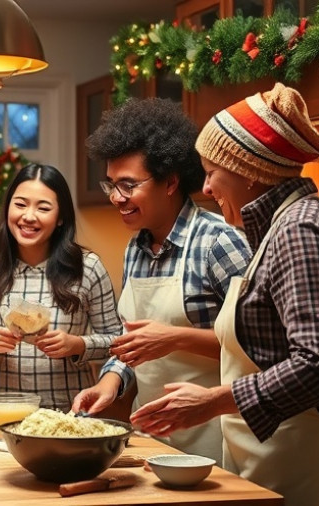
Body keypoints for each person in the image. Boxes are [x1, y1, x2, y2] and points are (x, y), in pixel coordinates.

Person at [130, 83, 319, 506]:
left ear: (249, 170)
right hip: (287, 453)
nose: (207, 188)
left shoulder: (300, 231)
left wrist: (213, 401)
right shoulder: (277, 228)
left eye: (212, 172)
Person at [71, 98, 251, 464]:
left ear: (170, 181)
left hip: (215, 440)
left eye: (128, 185)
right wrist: (110, 383)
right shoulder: (134, 248)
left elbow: (255, 348)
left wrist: (174, 339)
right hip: (152, 439)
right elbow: (134, 344)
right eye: (111, 185)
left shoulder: (219, 242)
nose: (116, 198)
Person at [0, 163, 120, 412]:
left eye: (43, 208)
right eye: (20, 204)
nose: (28, 216)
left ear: (60, 218)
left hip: (68, 415)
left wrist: (77, 345)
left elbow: (118, 343)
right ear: (8, 208)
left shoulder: (87, 267)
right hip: (4, 413)